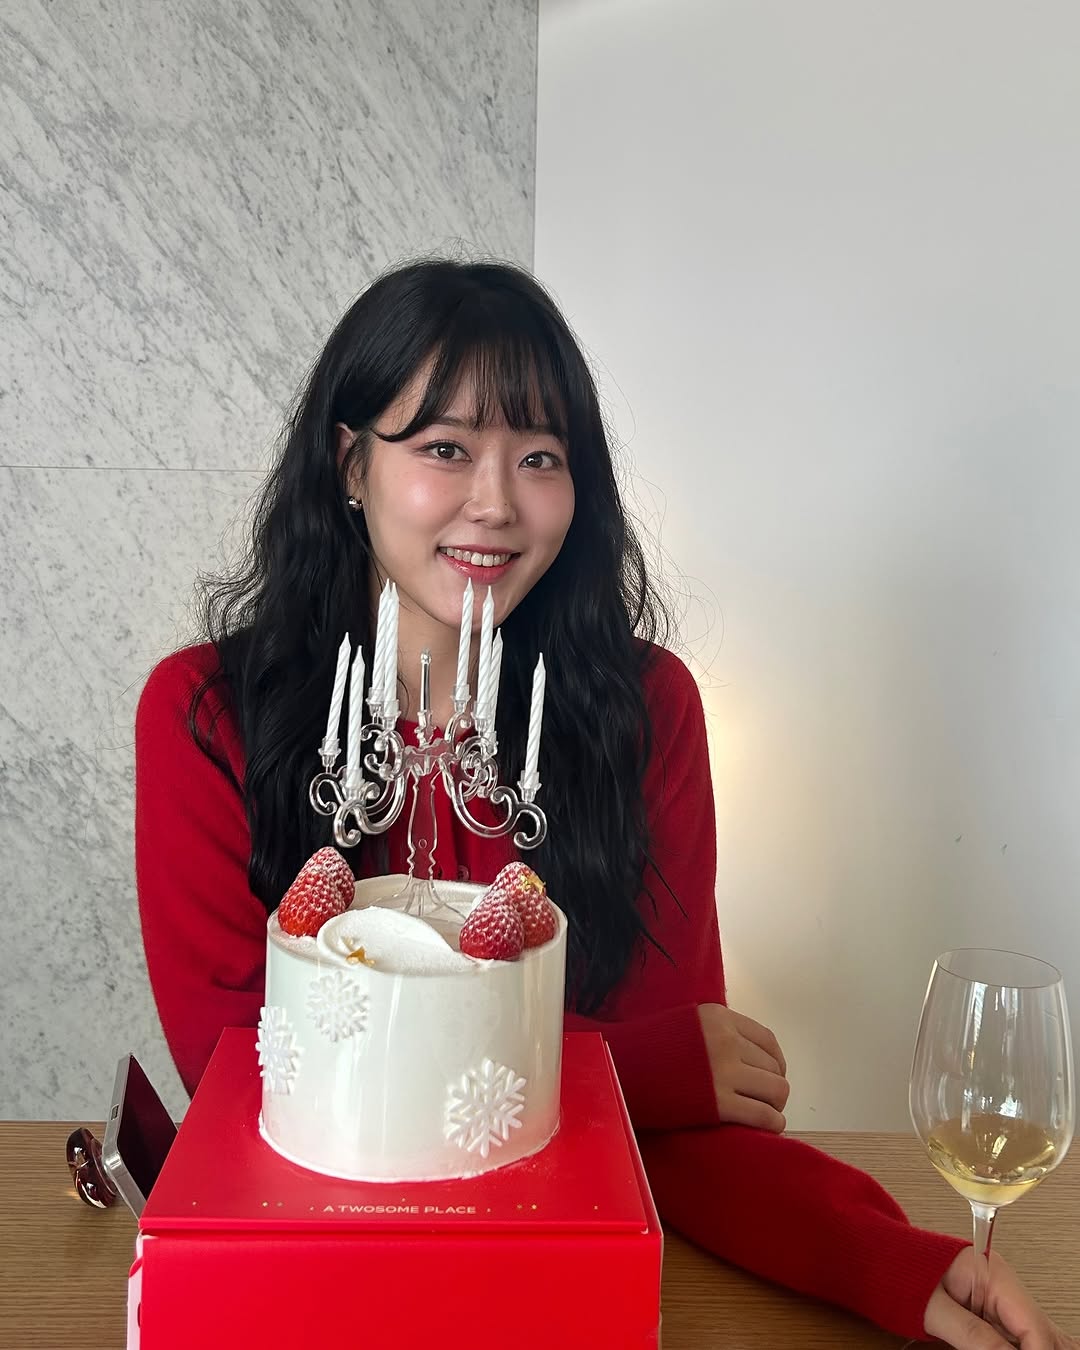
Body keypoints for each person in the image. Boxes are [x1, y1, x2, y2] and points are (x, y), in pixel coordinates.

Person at [135, 259, 1075, 1349]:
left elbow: (681, 1141)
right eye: (445, 449)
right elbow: (243, 1073)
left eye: (540, 457)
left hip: (548, 1295)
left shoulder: (644, 712)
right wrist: (646, 1065)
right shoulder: (206, 716)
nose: (496, 502)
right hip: (310, 1286)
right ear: (351, 465)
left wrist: (898, 1266)